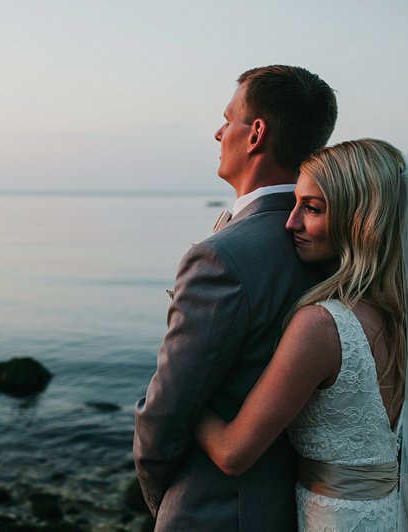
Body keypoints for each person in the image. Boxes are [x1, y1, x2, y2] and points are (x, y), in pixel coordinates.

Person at [195, 139, 408, 531]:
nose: (290, 222)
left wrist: (187, 395)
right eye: (296, 203)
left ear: (360, 220)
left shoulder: (321, 326)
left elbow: (233, 453)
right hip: (389, 513)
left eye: (312, 209)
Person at [133, 65, 338, 530]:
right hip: (297, 505)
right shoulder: (343, 242)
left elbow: (165, 413)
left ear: (256, 134)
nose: (218, 132)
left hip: (216, 509)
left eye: (228, 119)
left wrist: (164, 501)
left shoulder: (222, 257)